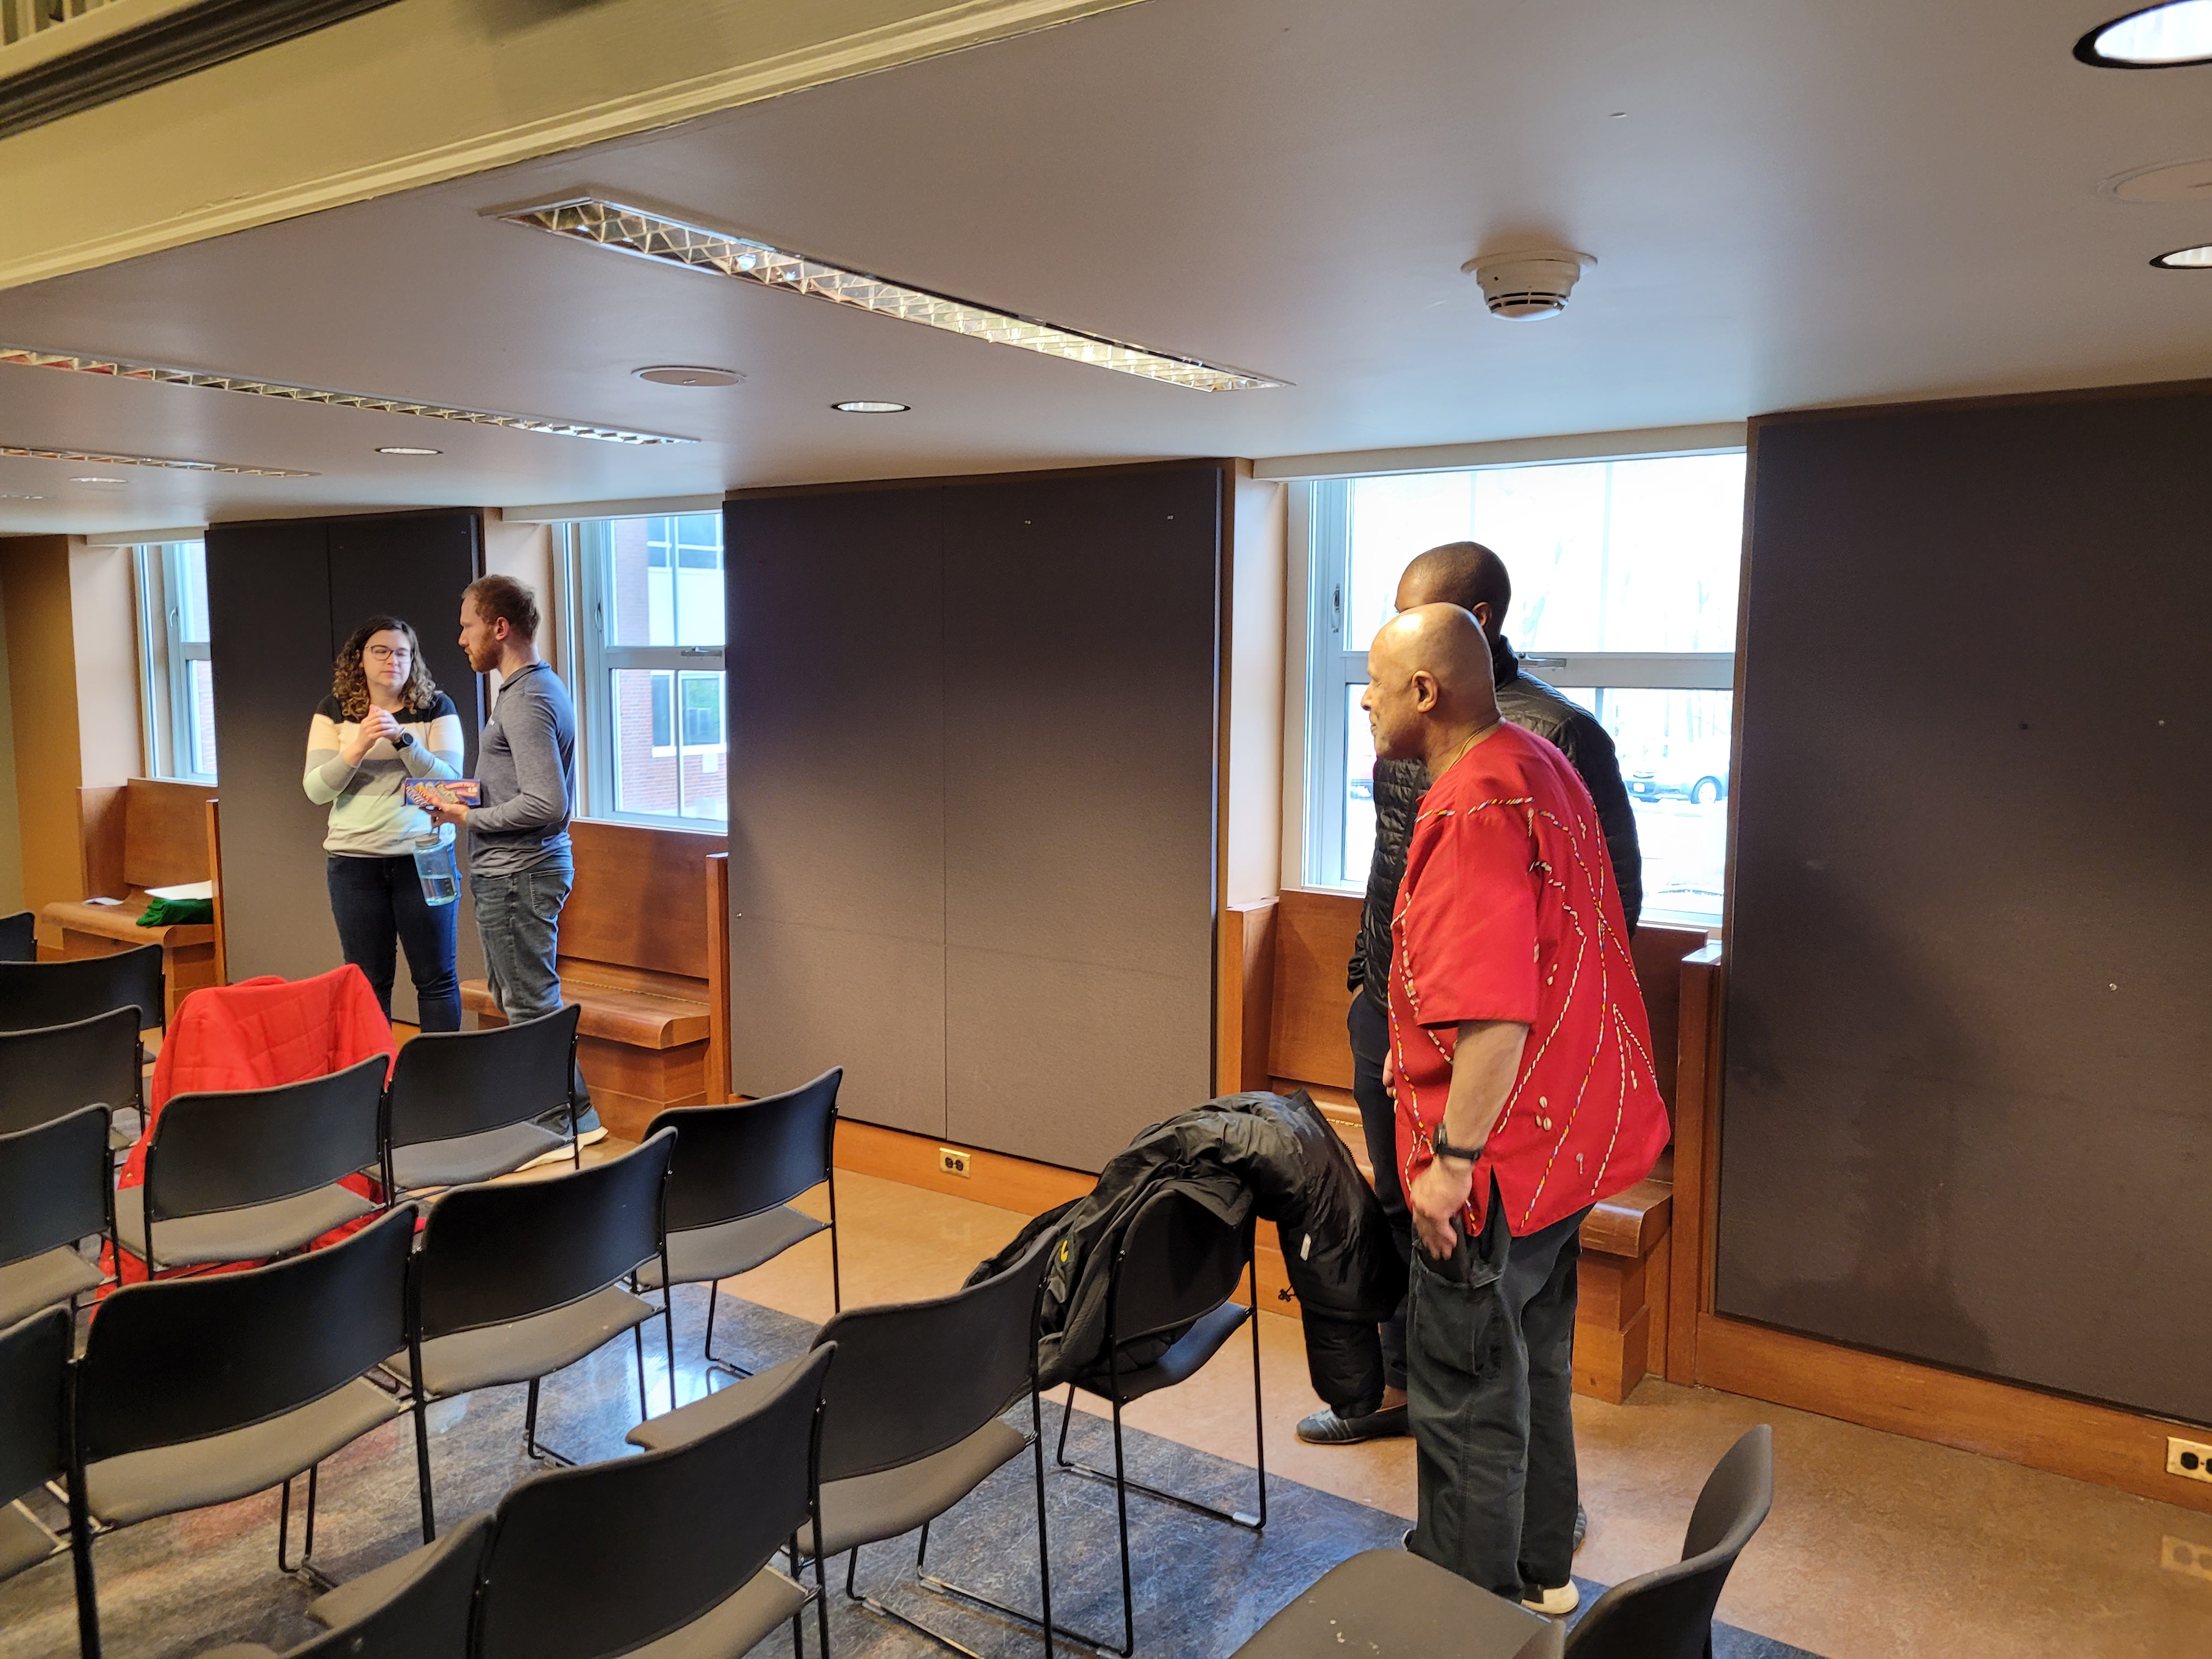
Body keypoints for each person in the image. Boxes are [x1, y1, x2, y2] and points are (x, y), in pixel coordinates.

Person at [1302, 539, 1644, 1448]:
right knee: (1396, 1207)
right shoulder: (1409, 732)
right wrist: (1374, 990)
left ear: (1467, 632)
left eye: (1402, 632)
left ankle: (1487, 1451)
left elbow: (1601, 907)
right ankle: (1403, 1384)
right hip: (1398, 1012)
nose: (1368, 693)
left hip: (1497, 1054)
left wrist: (1490, 1076)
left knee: (1487, 1280)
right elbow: (1393, 868)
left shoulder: (1547, 741)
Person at [1364, 603, 1669, 1612]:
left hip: (1497, 1161)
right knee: (1533, 1362)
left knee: (1464, 1395)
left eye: (1375, 684)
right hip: (1565, 1142)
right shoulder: (1542, 763)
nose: (1365, 702)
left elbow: (1497, 1013)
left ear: (1425, 690)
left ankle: (1465, 1614)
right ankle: (1543, 1576)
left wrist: (1449, 1164)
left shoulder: (1473, 804)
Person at [427, 573, 602, 1144]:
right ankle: (569, 1114)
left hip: (518, 875)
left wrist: (467, 818)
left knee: (530, 1004)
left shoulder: (526, 699)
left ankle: (561, 1124)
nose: (461, 639)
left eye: (468, 626)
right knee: (516, 998)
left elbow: (547, 803)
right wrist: (464, 798)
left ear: (500, 628)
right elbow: (523, 788)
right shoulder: (529, 690)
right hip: (514, 872)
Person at [303, 616, 466, 1030]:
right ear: (360, 658)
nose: (392, 660)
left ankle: (441, 1072)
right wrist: (359, 745)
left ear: (413, 660)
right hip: (354, 864)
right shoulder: (334, 710)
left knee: (436, 978)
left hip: (424, 858)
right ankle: (378, 1070)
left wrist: (402, 740)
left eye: (402, 653)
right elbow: (317, 790)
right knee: (368, 984)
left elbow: (451, 786)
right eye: (381, 651)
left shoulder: (436, 708)